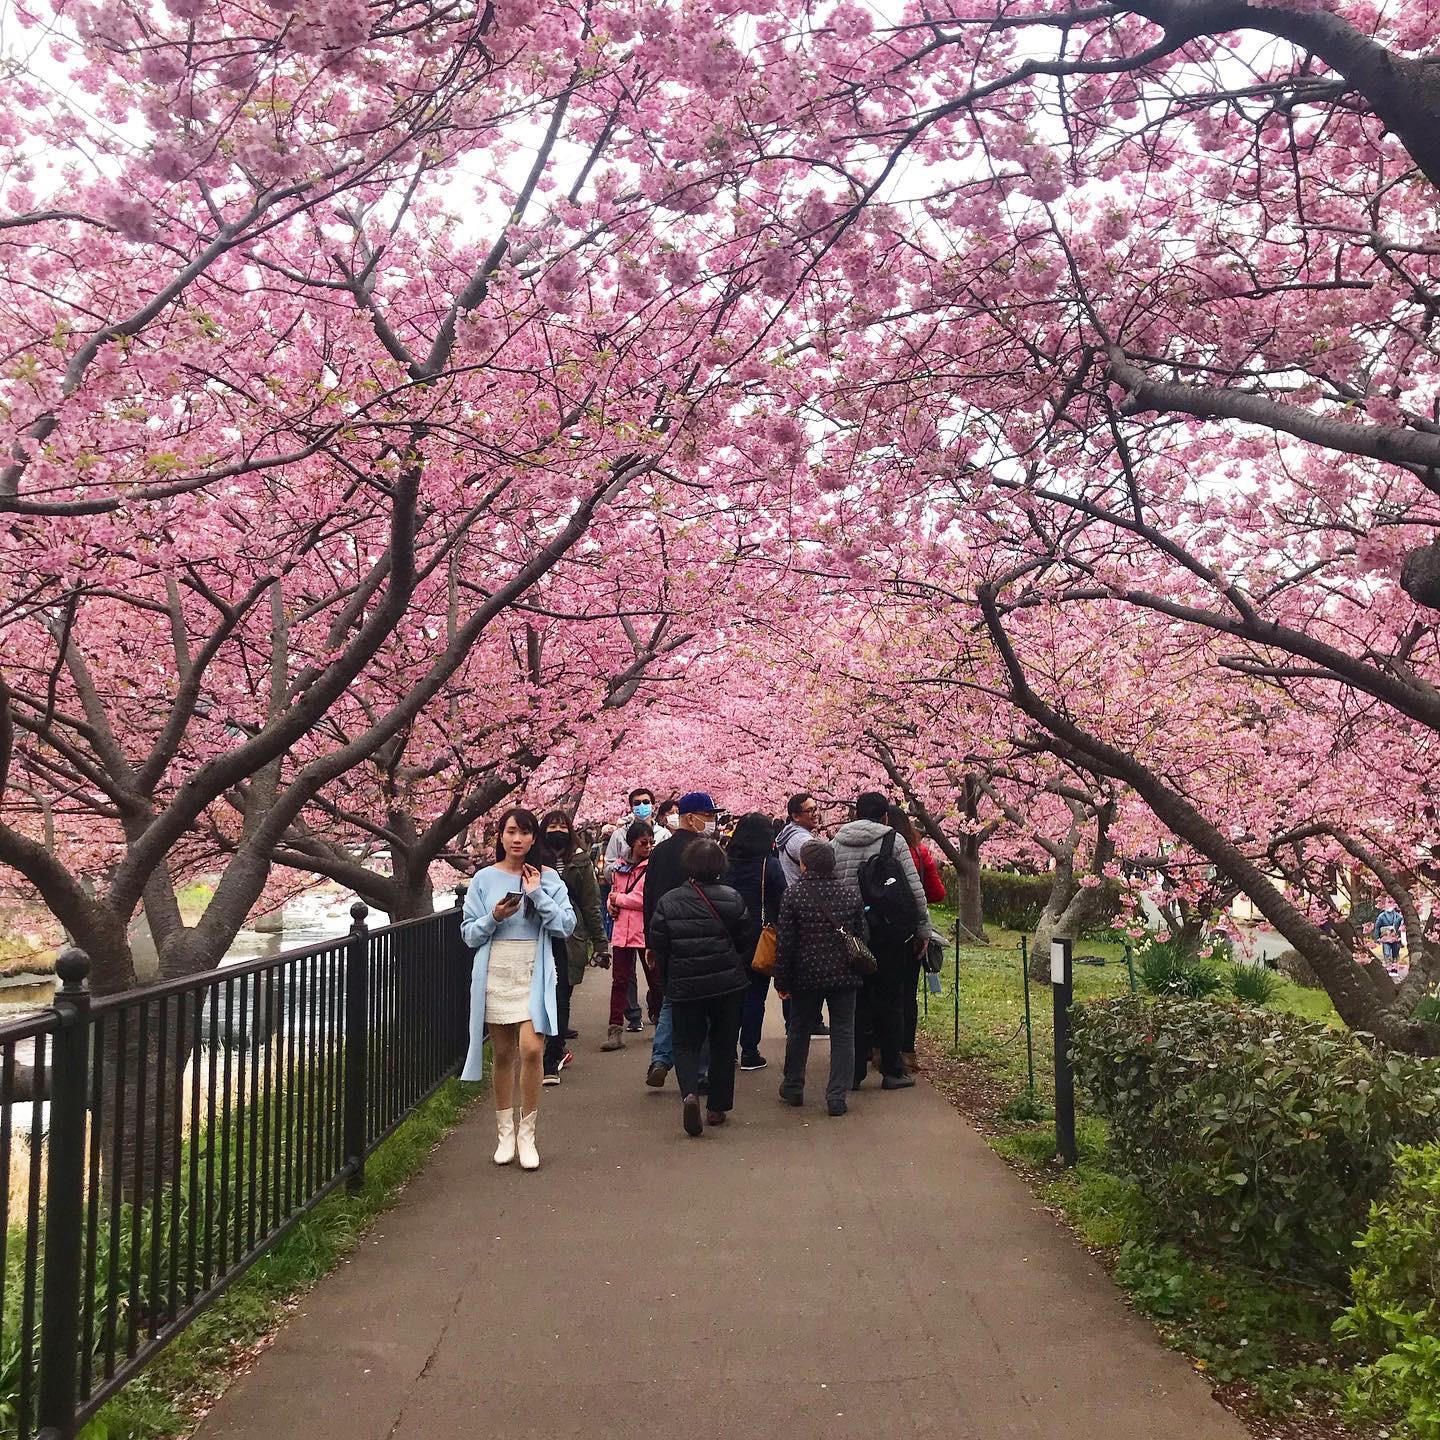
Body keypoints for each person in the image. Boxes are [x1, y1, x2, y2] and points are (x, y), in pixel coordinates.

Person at [460, 807, 576, 1170]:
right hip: (496, 970)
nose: (517, 839)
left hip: (534, 970)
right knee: (505, 1053)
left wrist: (537, 895)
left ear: (533, 838)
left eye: (525, 833)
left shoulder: (548, 877)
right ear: (500, 835)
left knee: (530, 1049)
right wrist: (494, 916)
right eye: (511, 831)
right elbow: (468, 934)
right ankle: (504, 1133)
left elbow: (566, 926)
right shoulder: (483, 879)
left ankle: (528, 1133)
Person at [648, 839, 751, 1136]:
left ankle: (690, 1093)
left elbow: (660, 944)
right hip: (727, 984)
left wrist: (668, 977)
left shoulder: (669, 901)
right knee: (722, 1042)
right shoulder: (732, 898)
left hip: (685, 983)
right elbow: (745, 940)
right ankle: (717, 1107)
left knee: (685, 1042)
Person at [832, 792, 931, 1092]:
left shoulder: (837, 842)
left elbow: (833, 884)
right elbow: (913, 888)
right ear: (885, 816)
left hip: (850, 932)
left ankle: (854, 1071)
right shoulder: (894, 841)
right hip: (888, 932)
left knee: (856, 1001)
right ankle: (892, 1070)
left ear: (855, 814)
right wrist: (923, 927)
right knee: (891, 1000)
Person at [774, 840, 865, 1116]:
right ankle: (837, 1095)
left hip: (806, 975)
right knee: (844, 1032)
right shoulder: (850, 896)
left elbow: (785, 943)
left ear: (804, 864)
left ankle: (793, 1085)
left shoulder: (794, 895)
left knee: (799, 1029)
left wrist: (782, 980)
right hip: (844, 975)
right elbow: (863, 936)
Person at [642, 791, 720, 1089]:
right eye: (708, 816)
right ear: (691, 817)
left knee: (672, 1000)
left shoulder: (660, 851)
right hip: (701, 938)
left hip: (666, 935)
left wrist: (651, 939)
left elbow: (650, 895)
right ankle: (699, 1073)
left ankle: (661, 1059)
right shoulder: (706, 851)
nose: (712, 821)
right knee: (703, 1007)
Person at [539, 811, 611, 1085]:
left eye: (561, 826)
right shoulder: (533, 860)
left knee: (561, 996)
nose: (557, 830)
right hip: (539, 934)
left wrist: (601, 943)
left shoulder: (580, 862)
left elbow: (591, 905)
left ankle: (552, 1056)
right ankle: (547, 1049)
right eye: (551, 826)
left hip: (569, 934)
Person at [723, 811, 787, 1071]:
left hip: (728, 936)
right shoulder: (768, 864)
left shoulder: (725, 862)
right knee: (754, 996)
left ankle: (727, 1050)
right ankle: (749, 1050)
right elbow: (783, 897)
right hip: (759, 937)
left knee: (729, 997)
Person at [888, 804, 948, 1075]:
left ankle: (877, 1048)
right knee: (907, 993)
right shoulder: (920, 853)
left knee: (879, 991)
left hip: (877, 929)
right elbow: (937, 893)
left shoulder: (875, 850)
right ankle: (906, 1052)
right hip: (911, 931)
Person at [603, 820, 659, 1049]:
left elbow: (646, 899)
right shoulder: (619, 867)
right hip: (621, 932)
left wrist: (619, 900)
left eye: (650, 842)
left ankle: (661, 1022)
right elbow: (614, 893)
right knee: (620, 981)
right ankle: (615, 1029)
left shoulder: (654, 868)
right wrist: (610, 903)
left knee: (655, 981)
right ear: (632, 843)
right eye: (643, 843)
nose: (647, 847)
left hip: (644, 930)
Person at [775, 792, 820, 886]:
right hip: (804, 895)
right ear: (796, 816)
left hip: (793, 894)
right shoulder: (802, 840)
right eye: (809, 810)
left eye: (816, 809)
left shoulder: (787, 833)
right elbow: (813, 875)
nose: (816, 814)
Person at [1373, 901, 1405, 967]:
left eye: (1391, 903)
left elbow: (1401, 927)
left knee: (1395, 954)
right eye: (1388, 903)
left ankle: (1395, 968)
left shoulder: (1398, 916)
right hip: (1385, 938)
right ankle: (1388, 966)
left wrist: (1401, 939)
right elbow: (1377, 927)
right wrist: (1377, 938)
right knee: (1387, 953)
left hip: (1395, 939)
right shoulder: (1381, 916)